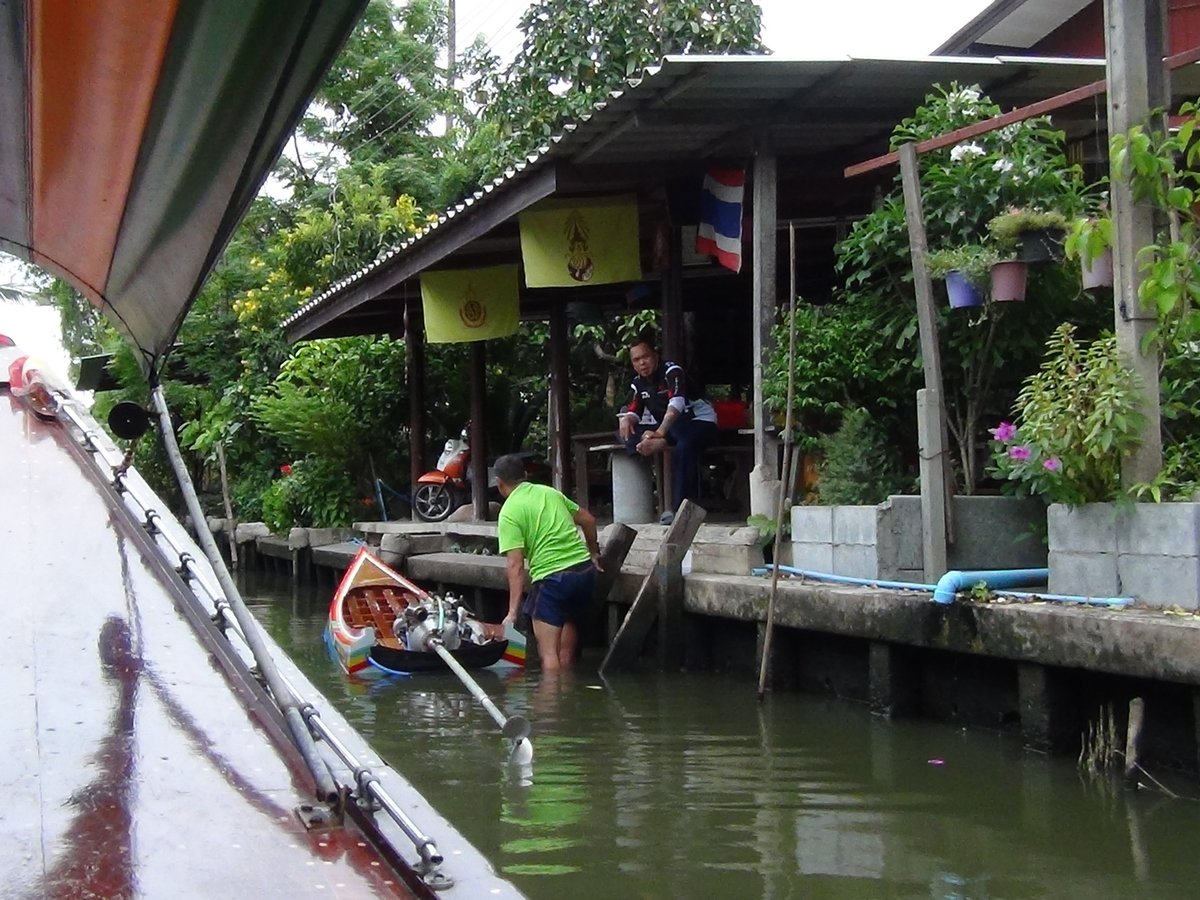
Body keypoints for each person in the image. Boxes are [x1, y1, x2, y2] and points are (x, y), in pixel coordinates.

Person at [495, 453, 603, 672]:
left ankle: (552, 703)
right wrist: (593, 552)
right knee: (568, 622)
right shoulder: (549, 492)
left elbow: (515, 566)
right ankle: (567, 689)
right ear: (525, 476)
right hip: (584, 571)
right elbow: (589, 520)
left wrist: (512, 612)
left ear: (499, 484)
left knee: (548, 655)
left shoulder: (508, 512)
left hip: (553, 579)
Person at [617, 335, 718, 524]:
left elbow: (677, 404)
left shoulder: (672, 371)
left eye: (645, 357)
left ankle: (681, 509)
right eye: (636, 360)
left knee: (684, 445)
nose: (642, 363)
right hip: (670, 428)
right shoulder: (638, 383)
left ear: (655, 356)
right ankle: (651, 446)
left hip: (698, 422)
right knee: (626, 433)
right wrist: (627, 419)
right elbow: (635, 410)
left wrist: (661, 433)